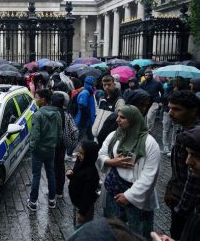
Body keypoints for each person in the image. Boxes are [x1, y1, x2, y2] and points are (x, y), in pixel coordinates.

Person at [97, 105, 160, 239]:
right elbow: (101, 153)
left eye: (123, 117)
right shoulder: (114, 135)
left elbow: (150, 175)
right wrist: (110, 161)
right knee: (113, 229)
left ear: (133, 119)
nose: (118, 120)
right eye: (118, 116)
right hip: (113, 190)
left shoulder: (149, 143)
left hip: (137, 194)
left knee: (138, 232)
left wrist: (129, 196)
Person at [164, 90, 200, 239]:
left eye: (176, 109)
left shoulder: (194, 137)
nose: (170, 113)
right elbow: (178, 170)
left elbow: (192, 180)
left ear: (193, 111)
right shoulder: (182, 128)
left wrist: (181, 209)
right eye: (169, 108)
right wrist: (170, 186)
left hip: (188, 207)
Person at [27, 89, 62, 211]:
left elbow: (35, 136)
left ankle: (33, 202)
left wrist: (31, 149)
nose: (35, 99)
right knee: (50, 174)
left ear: (43, 99)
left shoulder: (38, 115)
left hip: (38, 151)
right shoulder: (57, 113)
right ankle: (52, 200)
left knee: (36, 175)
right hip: (51, 149)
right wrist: (54, 144)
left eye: (36, 97)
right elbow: (59, 132)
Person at [66, 141, 99, 227]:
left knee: (83, 227)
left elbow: (88, 195)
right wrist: (70, 173)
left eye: (82, 153)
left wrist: (82, 213)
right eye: (78, 152)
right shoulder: (80, 163)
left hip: (85, 208)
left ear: (89, 156)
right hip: (77, 202)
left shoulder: (91, 174)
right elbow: (76, 174)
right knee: (77, 224)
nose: (78, 155)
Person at [92, 75, 125, 140]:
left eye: (109, 84)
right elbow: (98, 115)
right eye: (104, 85)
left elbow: (119, 122)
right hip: (96, 136)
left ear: (114, 84)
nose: (107, 87)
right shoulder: (102, 98)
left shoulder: (119, 101)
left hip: (108, 138)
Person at [74, 76, 96, 144]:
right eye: (93, 83)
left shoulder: (89, 92)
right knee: (79, 136)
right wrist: (86, 117)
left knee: (89, 136)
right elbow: (82, 106)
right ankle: (69, 153)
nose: (95, 85)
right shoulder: (85, 93)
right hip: (83, 120)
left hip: (88, 120)